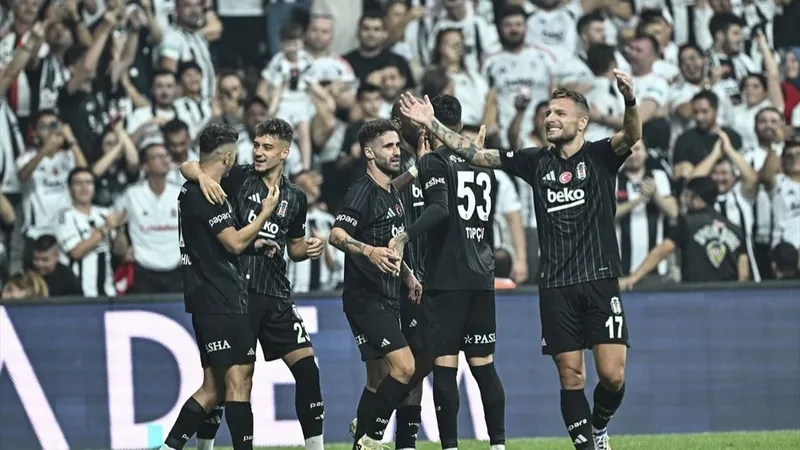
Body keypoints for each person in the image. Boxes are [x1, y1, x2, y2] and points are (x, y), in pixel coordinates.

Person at [398, 69, 642, 450]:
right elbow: (475, 154)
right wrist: (431, 124)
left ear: (582, 122)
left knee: (611, 375)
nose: (550, 118)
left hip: (599, 278)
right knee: (571, 376)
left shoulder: (600, 155)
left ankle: (599, 424)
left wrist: (629, 100)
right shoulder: (535, 161)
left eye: (560, 113)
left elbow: (632, 135)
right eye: (547, 113)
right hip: (556, 285)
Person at [179, 118, 326, 450]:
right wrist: (202, 176)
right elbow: (189, 165)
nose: (258, 153)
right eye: (257, 145)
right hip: (237, 295)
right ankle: (206, 446)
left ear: (285, 152)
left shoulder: (296, 196)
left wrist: (309, 248)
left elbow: (295, 247)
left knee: (307, 371)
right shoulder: (237, 177)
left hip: (275, 294)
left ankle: (315, 447)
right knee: (230, 381)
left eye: (267, 147)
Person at [390, 94, 505, 450]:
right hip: (483, 277)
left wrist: (405, 234)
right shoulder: (482, 164)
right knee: (484, 366)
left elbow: (438, 209)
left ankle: (450, 446)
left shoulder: (435, 163)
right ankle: (499, 444)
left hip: (446, 277)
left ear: (430, 122)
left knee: (444, 366)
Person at [159, 123, 280, 450]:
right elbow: (235, 243)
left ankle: (170, 447)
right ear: (227, 156)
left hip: (206, 294)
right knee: (239, 382)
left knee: (214, 387)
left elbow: (215, 244)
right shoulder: (206, 192)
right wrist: (264, 214)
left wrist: (256, 244)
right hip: (222, 297)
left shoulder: (192, 186)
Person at [328, 119, 422, 450]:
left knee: (377, 380)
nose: (396, 151)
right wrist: (367, 251)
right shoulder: (362, 192)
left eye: (398, 145)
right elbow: (336, 235)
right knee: (406, 367)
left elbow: (391, 241)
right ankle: (372, 435)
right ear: (369, 153)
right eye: (388, 146)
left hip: (387, 294)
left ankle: (361, 436)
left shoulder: (391, 192)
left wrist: (407, 271)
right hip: (366, 299)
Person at [619, 177, 749, 287]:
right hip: (728, 296)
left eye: (687, 194)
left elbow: (662, 251)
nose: (683, 199)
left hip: (695, 296)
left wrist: (633, 279)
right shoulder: (734, 228)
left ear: (696, 198)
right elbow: (743, 273)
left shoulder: (686, 223)